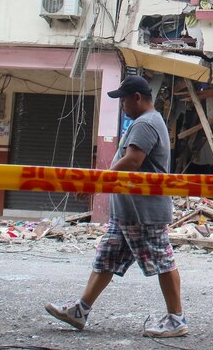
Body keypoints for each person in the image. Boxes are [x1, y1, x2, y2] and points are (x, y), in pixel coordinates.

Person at [45, 75, 187, 338]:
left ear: (137, 98)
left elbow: (132, 160)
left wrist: (96, 183)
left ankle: (177, 320)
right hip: (128, 212)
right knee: (106, 259)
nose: (122, 105)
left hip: (144, 213)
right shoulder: (146, 122)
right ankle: (80, 310)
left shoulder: (145, 123)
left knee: (163, 261)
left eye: (123, 100)